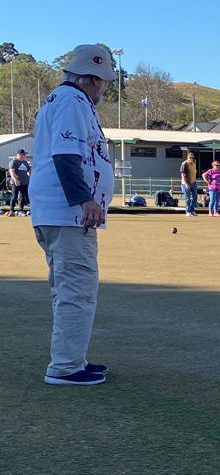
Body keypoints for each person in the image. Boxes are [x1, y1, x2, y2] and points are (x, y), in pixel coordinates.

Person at [29, 44, 117, 385]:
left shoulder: (61, 99)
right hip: (69, 215)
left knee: (68, 288)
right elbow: (66, 156)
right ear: (94, 79)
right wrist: (85, 201)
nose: (106, 88)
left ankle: (71, 358)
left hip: (57, 213)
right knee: (77, 289)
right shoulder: (73, 101)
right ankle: (65, 366)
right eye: (105, 81)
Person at [8, 148, 32, 216]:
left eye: (24, 154)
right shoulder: (13, 162)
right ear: (19, 155)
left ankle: (21, 210)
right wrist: (15, 179)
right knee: (14, 196)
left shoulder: (25, 162)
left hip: (24, 182)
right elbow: (11, 172)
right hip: (16, 182)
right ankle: (11, 211)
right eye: (24, 154)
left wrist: (31, 177)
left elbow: (29, 171)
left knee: (23, 196)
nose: (25, 156)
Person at [179, 151, 199, 217]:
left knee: (195, 197)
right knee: (188, 198)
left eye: (192, 157)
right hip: (186, 183)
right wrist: (186, 183)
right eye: (190, 157)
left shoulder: (193, 163)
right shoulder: (184, 163)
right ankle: (188, 211)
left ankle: (192, 210)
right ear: (187, 157)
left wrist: (195, 181)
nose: (191, 158)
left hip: (193, 183)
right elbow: (183, 174)